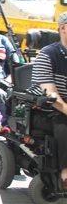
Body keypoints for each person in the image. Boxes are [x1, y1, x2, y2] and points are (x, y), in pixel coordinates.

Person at [32, 12, 67, 190]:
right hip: (48, 107)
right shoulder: (48, 54)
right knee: (64, 122)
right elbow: (51, 95)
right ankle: (65, 173)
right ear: (63, 28)